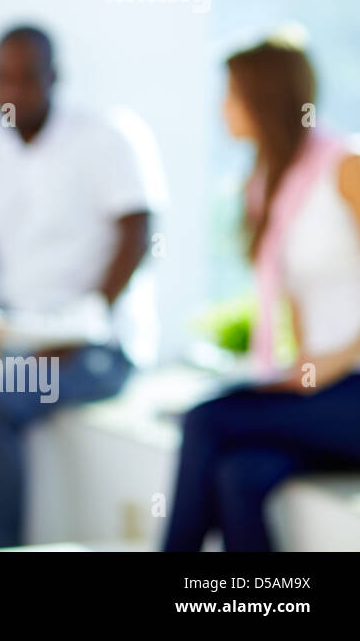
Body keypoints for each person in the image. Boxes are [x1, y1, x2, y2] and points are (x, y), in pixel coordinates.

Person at [0, 24, 167, 551]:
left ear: (54, 77)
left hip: (95, 344)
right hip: (13, 335)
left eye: (27, 78)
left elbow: (138, 236)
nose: (14, 92)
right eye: (3, 79)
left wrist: (84, 322)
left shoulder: (106, 138)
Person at [163, 32, 360, 551]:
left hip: (351, 388)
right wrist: (290, 373)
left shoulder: (344, 168)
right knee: (238, 475)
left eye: (231, 95)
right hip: (320, 392)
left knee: (205, 420)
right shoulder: (270, 183)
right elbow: (298, 306)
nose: (221, 109)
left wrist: (338, 359)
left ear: (264, 100)